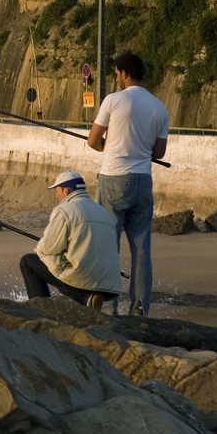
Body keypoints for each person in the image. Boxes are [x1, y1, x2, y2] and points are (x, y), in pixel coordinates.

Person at [88, 51, 168, 316]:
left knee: (108, 243)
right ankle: (140, 307)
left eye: (117, 73)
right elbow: (158, 153)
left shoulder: (113, 100)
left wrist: (106, 146)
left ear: (123, 73)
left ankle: (109, 305)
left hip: (113, 179)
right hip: (142, 181)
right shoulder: (159, 107)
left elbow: (93, 140)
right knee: (141, 248)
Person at [20, 170, 122, 309]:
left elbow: (46, 249)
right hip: (110, 285)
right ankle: (88, 300)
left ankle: (42, 309)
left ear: (66, 191)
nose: (56, 196)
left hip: (83, 280)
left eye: (57, 191)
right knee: (67, 266)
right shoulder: (103, 212)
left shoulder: (64, 210)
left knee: (28, 261)